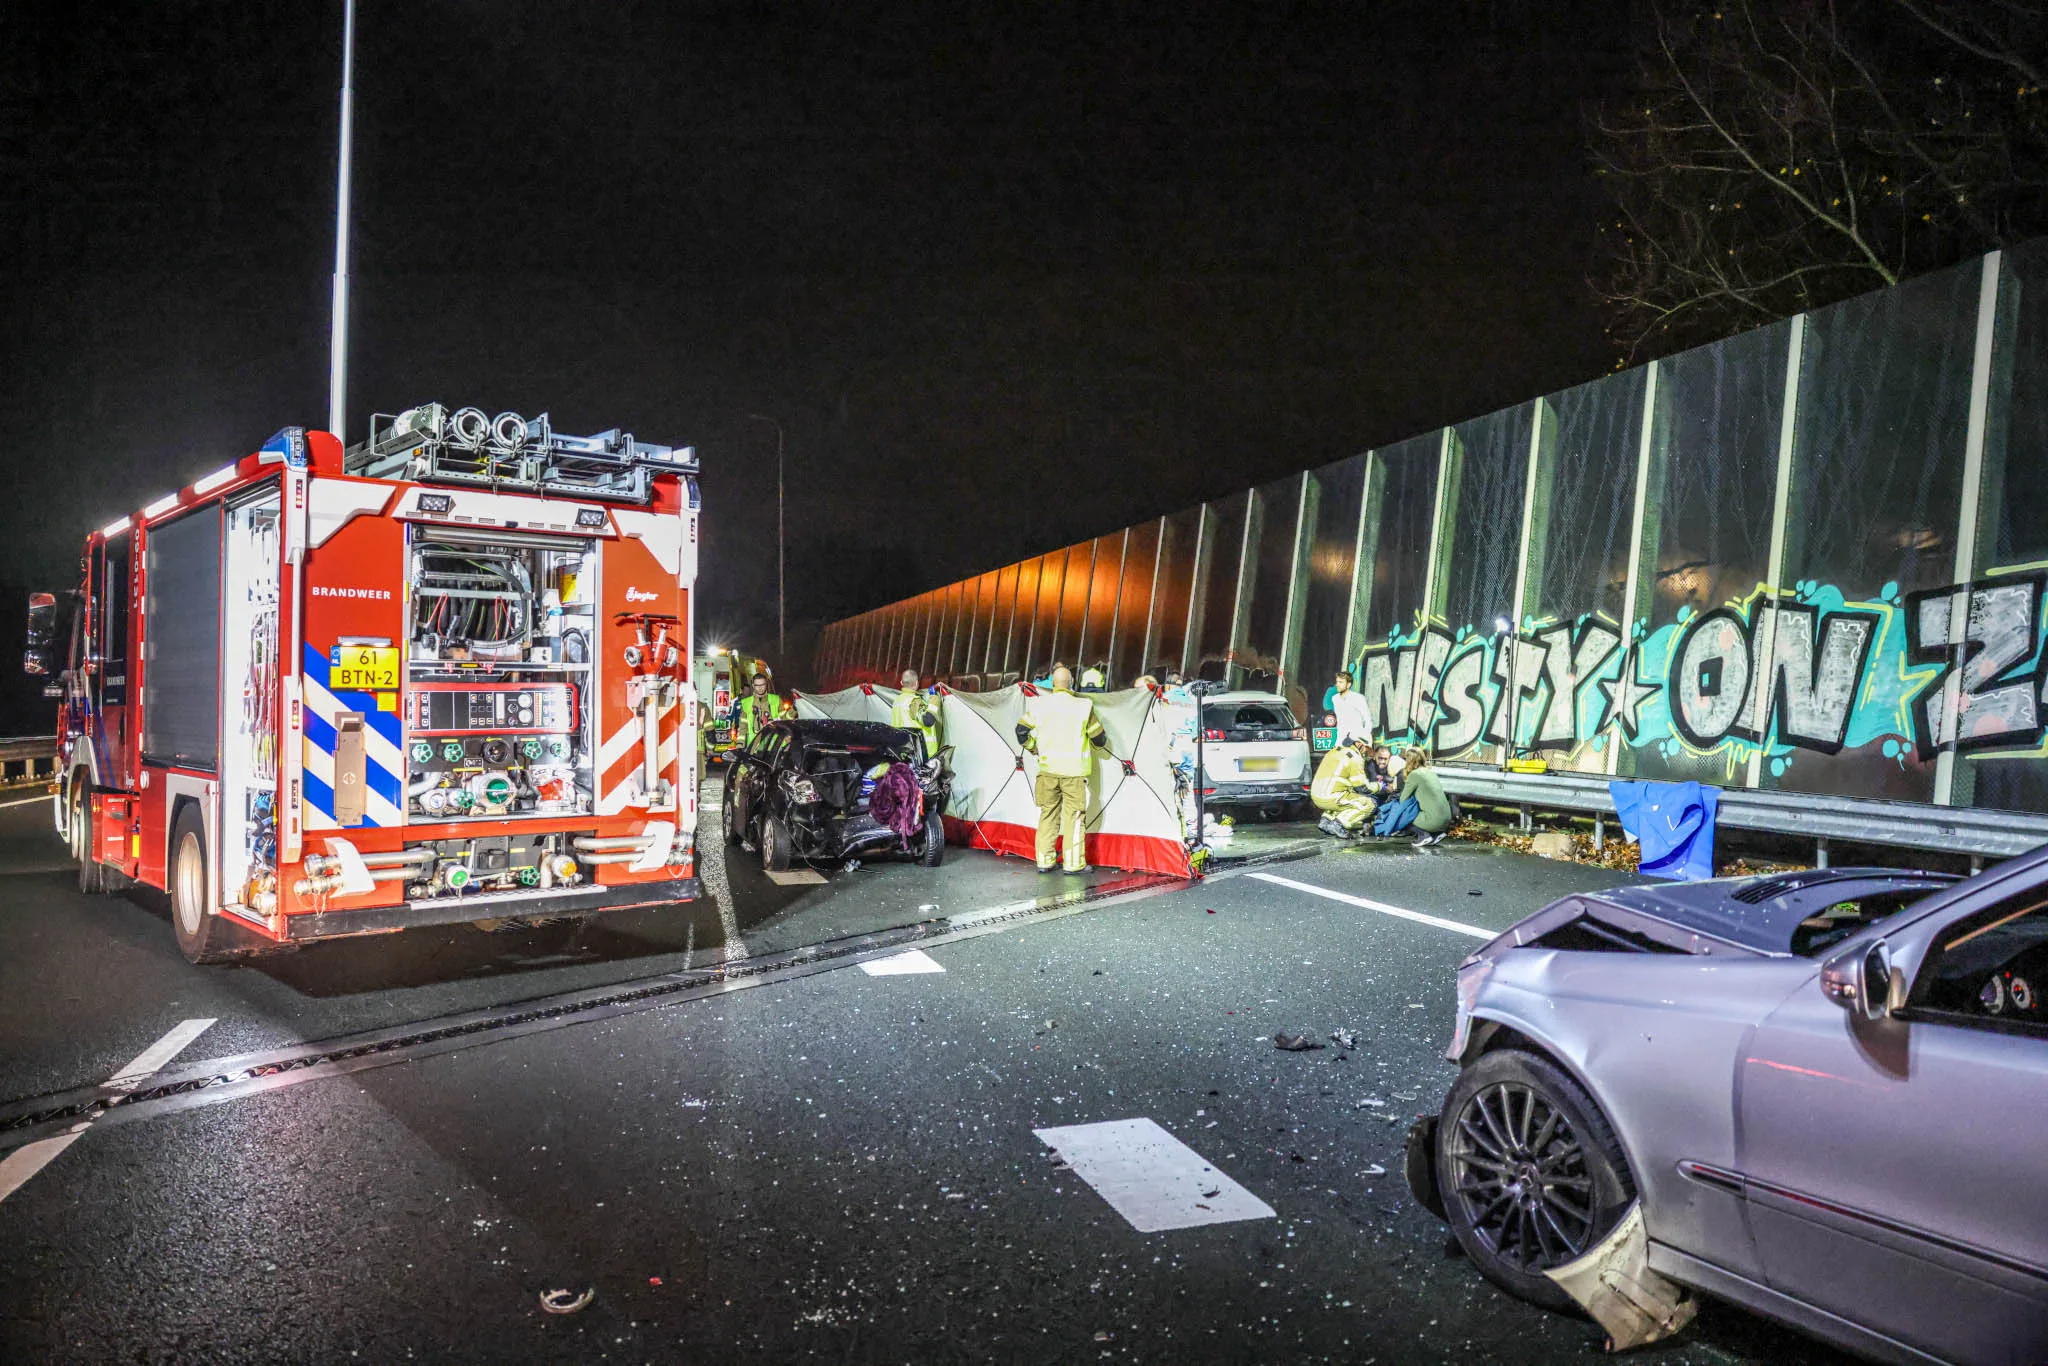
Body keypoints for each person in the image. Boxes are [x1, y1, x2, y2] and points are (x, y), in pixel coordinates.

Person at [1017, 665, 1106, 873]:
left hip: (1047, 771)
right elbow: (1099, 739)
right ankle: (1073, 864)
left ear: (1053, 684)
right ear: (1072, 682)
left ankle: (1044, 861)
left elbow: (1020, 732)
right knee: (1074, 818)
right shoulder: (1083, 705)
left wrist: (1033, 748)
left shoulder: (1039, 705)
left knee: (1048, 815)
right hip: (1073, 773)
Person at [1309, 736, 1378, 838]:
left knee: (1346, 794)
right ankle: (1339, 824)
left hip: (1316, 796)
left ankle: (1326, 820)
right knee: (1369, 803)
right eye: (1367, 749)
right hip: (1331, 797)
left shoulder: (1333, 751)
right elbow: (1362, 788)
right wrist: (1380, 787)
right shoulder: (1354, 757)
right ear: (1359, 744)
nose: (1367, 753)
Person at [1398, 747, 1455, 848]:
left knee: (1402, 813)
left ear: (1409, 760)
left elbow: (1403, 799)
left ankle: (1423, 836)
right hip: (1446, 820)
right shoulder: (1431, 772)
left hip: (1433, 821)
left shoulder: (1415, 774)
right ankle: (1436, 834)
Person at [890, 668, 943, 760]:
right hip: (921, 755)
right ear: (917, 683)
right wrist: (934, 700)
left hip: (902, 753)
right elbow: (928, 720)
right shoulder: (914, 702)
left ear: (901, 683)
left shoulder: (897, 701)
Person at [736, 673, 782, 747]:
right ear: (753, 686)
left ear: (766, 684)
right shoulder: (746, 703)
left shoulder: (776, 700)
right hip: (754, 747)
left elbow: (786, 720)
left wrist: (794, 709)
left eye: (762, 685)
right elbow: (742, 728)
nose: (760, 688)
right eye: (757, 685)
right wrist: (739, 745)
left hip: (774, 747)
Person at [1328, 670, 1372, 747]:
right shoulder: (1335, 699)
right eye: (1337, 682)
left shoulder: (1358, 698)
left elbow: (1368, 720)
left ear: (1348, 684)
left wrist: (1363, 739)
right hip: (1341, 741)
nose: (1337, 684)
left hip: (1356, 740)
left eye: (1341, 682)